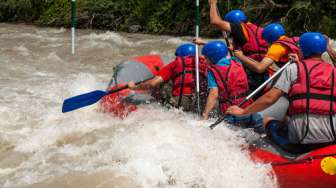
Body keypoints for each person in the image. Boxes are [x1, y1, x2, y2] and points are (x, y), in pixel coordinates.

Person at [226, 32, 336, 153]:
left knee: (266, 120)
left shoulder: (293, 69)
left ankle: (268, 153)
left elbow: (270, 98)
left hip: (301, 140)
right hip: (331, 138)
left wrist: (243, 111)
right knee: (285, 118)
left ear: (303, 49)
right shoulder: (333, 71)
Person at [201, 41, 263, 131]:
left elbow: (214, 93)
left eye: (206, 58)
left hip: (230, 112)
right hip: (249, 108)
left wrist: (205, 114)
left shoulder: (212, 71)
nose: (205, 60)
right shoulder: (237, 61)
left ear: (213, 57)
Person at [208, 0, 268, 93]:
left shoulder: (238, 27)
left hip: (252, 72)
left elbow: (215, 21)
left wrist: (213, 4)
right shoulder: (258, 29)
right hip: (264, 70)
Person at [127, 43, 207, 112]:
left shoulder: (175, 64)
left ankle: (157, 101)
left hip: (180, 102)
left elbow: (152, 83)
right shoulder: (205, 64)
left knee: (162, 83)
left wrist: (134, 87)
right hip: (200, 103)